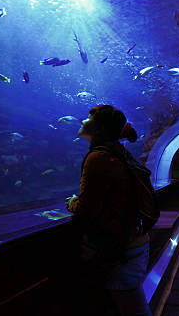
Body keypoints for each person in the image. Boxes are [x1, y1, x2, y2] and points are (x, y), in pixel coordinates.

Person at [65, 105, 152, 316]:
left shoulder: (98, 157)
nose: (83, 121)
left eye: (88, 118)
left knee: (133, 309)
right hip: (134, 239)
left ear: (99, 128)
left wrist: (72, 203)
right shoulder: (119, 152)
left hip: (120, 248)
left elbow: (87, 207)